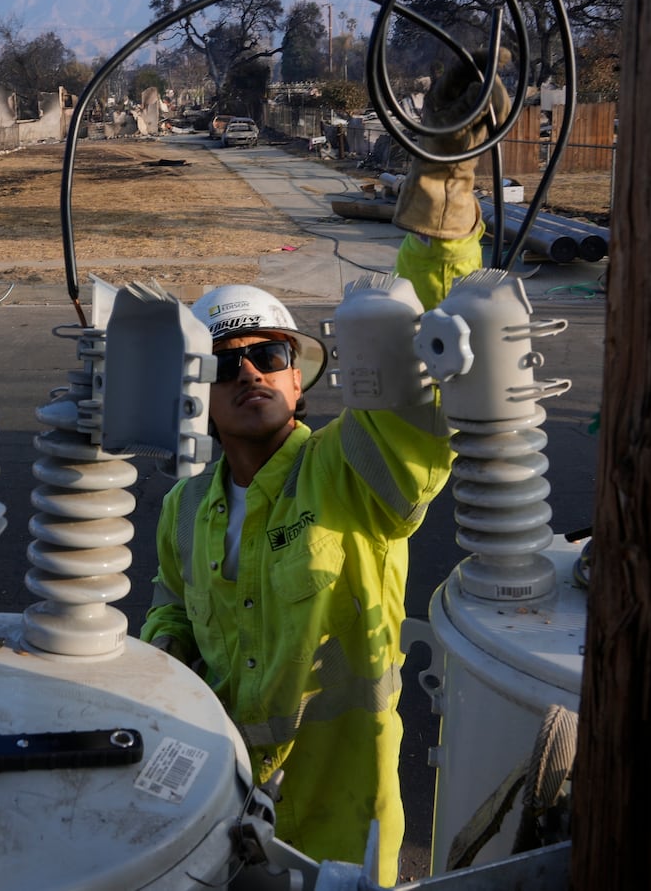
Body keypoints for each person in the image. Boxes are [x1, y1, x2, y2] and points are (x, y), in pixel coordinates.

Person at [139, 53, 507, 885]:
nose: (249, 372)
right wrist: (174, 662)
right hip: (218, 820)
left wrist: (443, 195)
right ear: (197, 390)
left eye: (269, 353)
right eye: (228, 360)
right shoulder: (183, 512)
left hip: (343, 828)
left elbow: (425, 370)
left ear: (298, 376)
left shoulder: (349, 473)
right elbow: (169, 612)